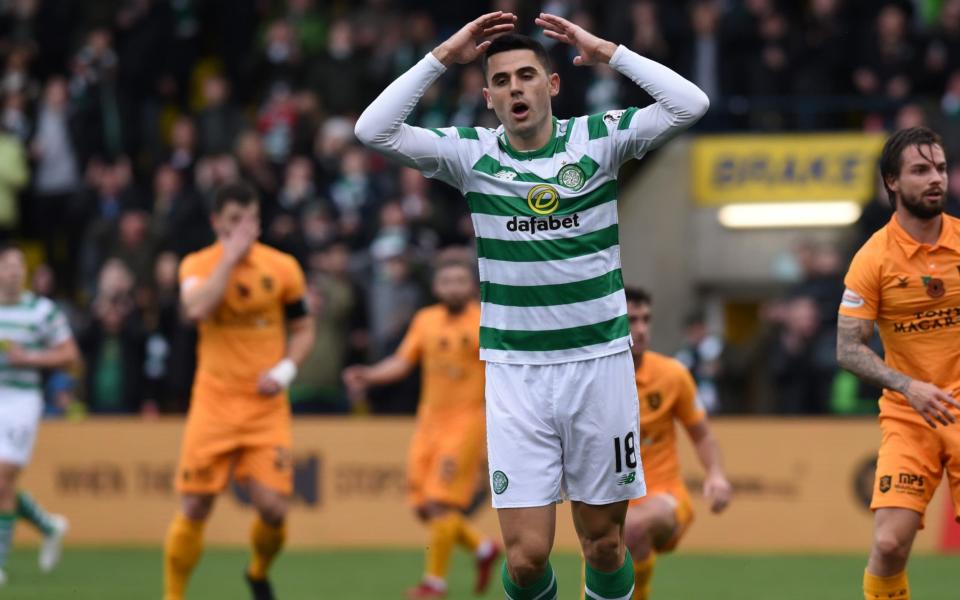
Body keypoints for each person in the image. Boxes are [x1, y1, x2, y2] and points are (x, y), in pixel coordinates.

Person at [355, 11, 709, 600]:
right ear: (489, 97)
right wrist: (443, 56)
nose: (515, 87)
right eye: (501, 80)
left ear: (552, 85)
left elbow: (690, 104)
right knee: (524, 559)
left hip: (599, 366)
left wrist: (610, 52)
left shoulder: (598, 140)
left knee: (602, 544)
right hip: (516, 374)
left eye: (526, 75)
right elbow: (373, 130)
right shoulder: (470, 155)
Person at [162, 182, 315, 600]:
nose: (244, 231)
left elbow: (303, 328)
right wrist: (228, 259)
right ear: (216, 222)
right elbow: (196, 310)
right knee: (195, 505)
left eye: (251, 221)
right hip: (214, 401)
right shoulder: (197, 265)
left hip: (264, 406)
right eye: (234, 221)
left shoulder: (283, 267)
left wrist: (286, 369)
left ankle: (257, 571)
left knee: (273, 509)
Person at [836, 126, 960, 600]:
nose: (936, 179)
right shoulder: (873, 259)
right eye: (922, 170)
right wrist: (909, 386)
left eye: (942, 169)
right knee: (888, 544)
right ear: (892, 181)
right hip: (911, 415)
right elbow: (847, 348)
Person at [343, 251, 500, 598]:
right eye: (447, 281)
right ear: (436, 286)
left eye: (460, 281)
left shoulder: (483, 321)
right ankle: (483, 548)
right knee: (421, 505)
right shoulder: (425, 320)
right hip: (428, 422)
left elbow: (501, 372)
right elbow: (401, 362)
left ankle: (434, 583)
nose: (453, 288)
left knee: (440, 504)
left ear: (471, 287)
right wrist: (368, 375)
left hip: (466, 422)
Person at [621, 288, 731, 599]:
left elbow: (702, 434)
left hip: (664, 494)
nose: (641, 329)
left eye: (646, 320)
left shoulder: (672, 375)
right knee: (604, 551)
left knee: (630, 528)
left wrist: (716, 474)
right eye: (630, 321)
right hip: (609, 498)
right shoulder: (589, 380)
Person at [0, 243, 76, 584]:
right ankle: (47, 525)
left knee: (3, 476)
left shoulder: (41, 311)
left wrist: (29, 359)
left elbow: (70, 355)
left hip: (21, 398)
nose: (14, 271)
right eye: (7, 265)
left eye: (19, 266)